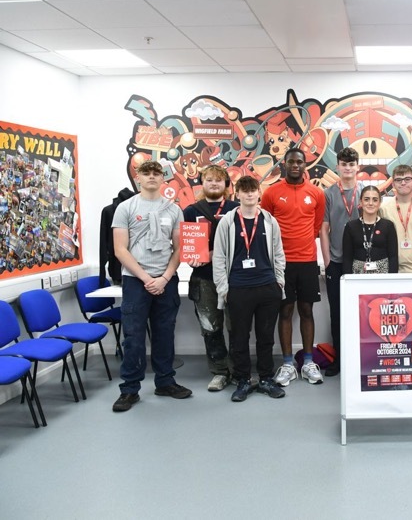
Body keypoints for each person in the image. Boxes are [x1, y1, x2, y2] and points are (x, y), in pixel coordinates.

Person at [111, 160, 192, 412]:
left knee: (164, 333)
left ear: (163, 178)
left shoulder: (173, 209)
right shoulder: (125, 208)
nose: (152, 177)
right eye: (147, 173)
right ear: (138, 178)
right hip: (136, 281)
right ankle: (129, 389)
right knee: (134, 336)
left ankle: (165, 381)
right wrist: (146, 279)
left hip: (165, 279)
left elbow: (179, 248)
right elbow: (120, 249)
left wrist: (165, 278)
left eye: (157, 173)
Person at [213, 176, 286, 402]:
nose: (249, 194)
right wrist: (224, 289)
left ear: (258, 193)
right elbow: (218, 257)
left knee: (266, 337)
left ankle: (265, 378)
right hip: (239, 289)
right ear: (237, 194)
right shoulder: (227, 222)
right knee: (239, 338)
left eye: (252, 190)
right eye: (244, 191)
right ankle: (243, 379)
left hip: (267, 287)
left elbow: (279, 254)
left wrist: (279, 282)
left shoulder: (269, 221)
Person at [260, 148, 326, 386]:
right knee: (285, 311)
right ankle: (288, 363)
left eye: (299, 162)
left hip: (307, 261)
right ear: (284, 164)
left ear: (305, 165)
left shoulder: (316, 193)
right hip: (281, 263)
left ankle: (308, 362)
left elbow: (316, 226)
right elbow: (265, 227)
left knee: (307, 311)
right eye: (291, 162)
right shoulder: (271, 193)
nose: (295, 165)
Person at [182, 165, 239, 392]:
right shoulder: (190, 211)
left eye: (218, 180)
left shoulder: (236, 208)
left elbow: (245, 243)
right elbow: (187, 247)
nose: (214, 184)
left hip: (234, 278)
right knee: (210, 327)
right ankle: (219, 372)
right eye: (209, 180)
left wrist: (217, 254)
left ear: (226, 185)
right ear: (202, 183)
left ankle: (238, 371)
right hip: (203, 279)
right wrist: (194, 258)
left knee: (237, 326)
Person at [320, 147, 361, 377]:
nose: (347, 168)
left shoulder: (365, 191)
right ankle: (339, 358)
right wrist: (327, 260)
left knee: (361, 312)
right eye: (343, 164)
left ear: (357, 167)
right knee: (337, 313)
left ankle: (359, 357)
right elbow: (324, 229)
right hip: (336, 261)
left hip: (360, 263)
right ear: (338, 167)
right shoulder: (328, 194)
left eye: (351, 164)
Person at [379, 164, 412, 273]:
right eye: (399, 180)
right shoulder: (383, 208)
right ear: (393, 184)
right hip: (391, 269)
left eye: (407, 179)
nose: (403, 183)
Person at [343, 185, 399, 274]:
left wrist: (391, 280)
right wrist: (349, 280)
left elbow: (393, 257)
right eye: (366, 199)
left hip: (383, 275)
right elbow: (347, 258)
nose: (370, 203)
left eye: (375, 200)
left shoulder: (388, 225)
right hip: (357, 275)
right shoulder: (351, 226)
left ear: (380, 202)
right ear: (360, 202)